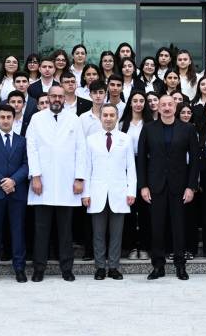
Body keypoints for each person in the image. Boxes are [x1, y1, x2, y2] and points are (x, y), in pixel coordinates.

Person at [26, 86, 88, 282]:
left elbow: (81, 150)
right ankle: (39, 269)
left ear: (64, 99)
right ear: (48, 97)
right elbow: (31, 148)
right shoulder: (37, 119)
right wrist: (35, 176)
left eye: (60, 96)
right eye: (53, 96)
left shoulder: (74, 119)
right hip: (42, 182)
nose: (57, 99)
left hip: (66, 183)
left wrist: (79, 178)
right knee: (41, 230)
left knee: (65, 231)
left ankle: (66, 268)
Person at [137, 92, 200, 280]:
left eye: (170, 104)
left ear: (175, 107)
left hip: (179, 186)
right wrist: (143, 185)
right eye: (163, 105)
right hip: (155, 185)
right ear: (158, 107)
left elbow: (194, 160)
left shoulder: (187, 129)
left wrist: (191, 186)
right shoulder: (148, 129)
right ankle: (158, 266)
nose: (166, 108)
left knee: (179, 226)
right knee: (157, 227)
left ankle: (180, 265)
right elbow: (141, 159)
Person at [81, 103, 135, 280]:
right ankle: (99, 267)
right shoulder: (91, 139)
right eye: (105, 115)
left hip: (119, 192)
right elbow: (87, 168)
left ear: (117, 117)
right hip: (97, 192)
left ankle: (113, 267)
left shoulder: (125, 139)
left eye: (112, 115)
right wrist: (86, 193)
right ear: (100, 117)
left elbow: (131, 167)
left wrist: (131, 191)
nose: (109, 118)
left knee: (116, 234)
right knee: (98, 234)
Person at [0, 105, 29, 283]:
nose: (6, 120)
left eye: (9, 117)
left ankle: (20, 269)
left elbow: (26, 164)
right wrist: (3, 182)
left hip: (17, 192)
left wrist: (13, 181)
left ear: (14, 119)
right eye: (2, 117)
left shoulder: (22, 141)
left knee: (18, 232)